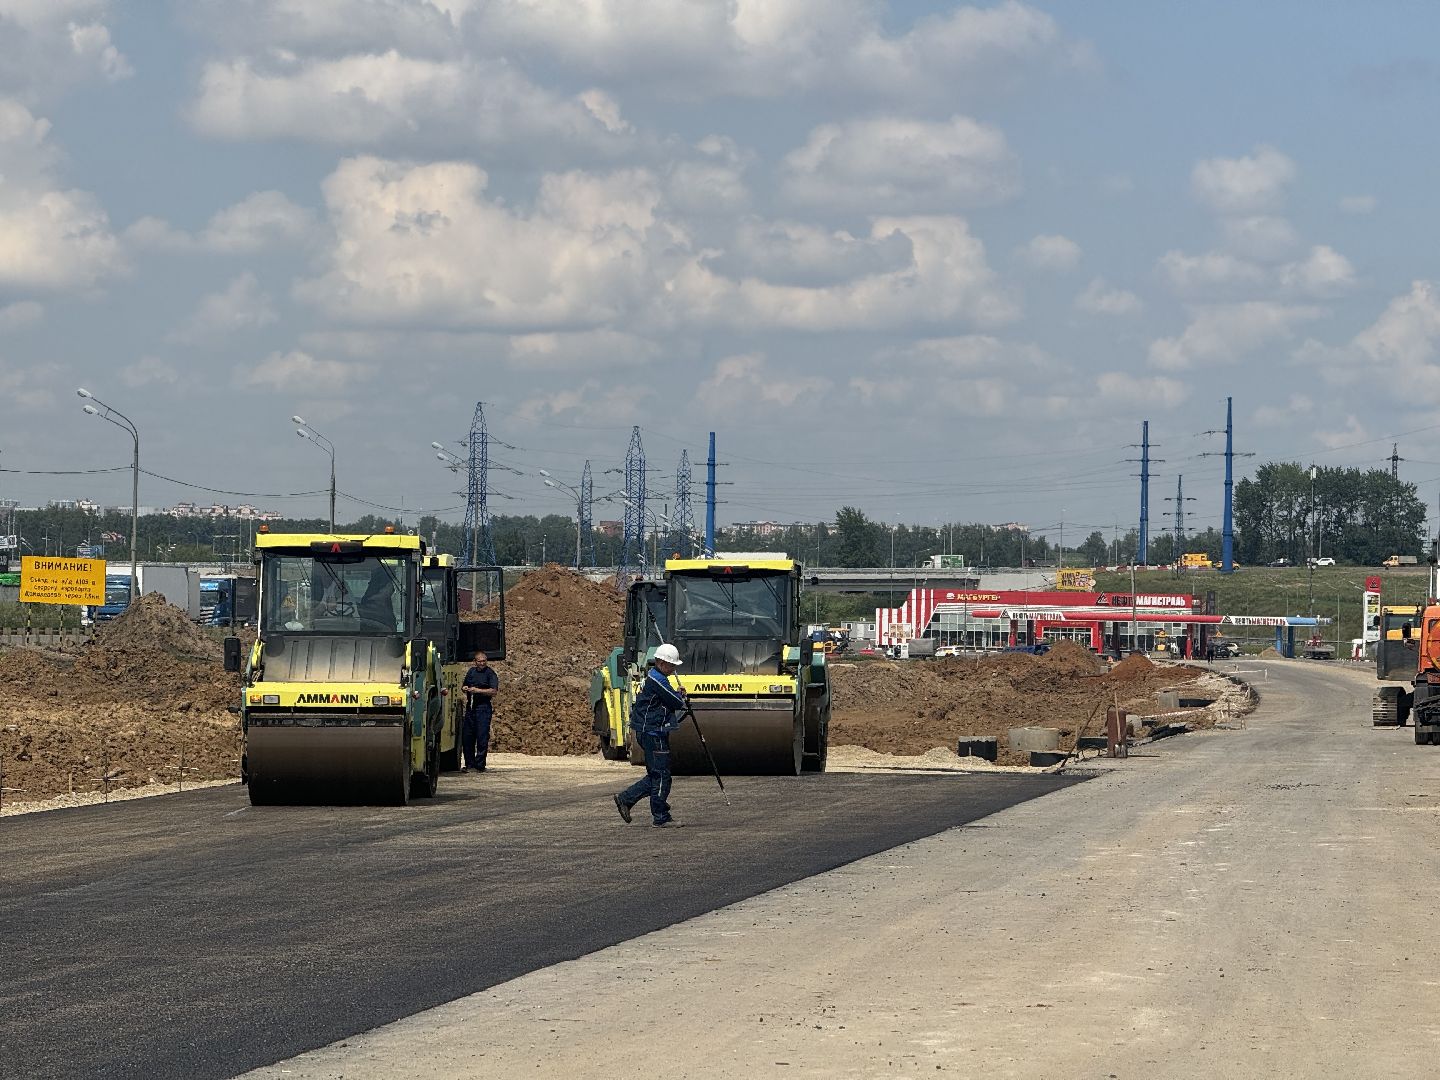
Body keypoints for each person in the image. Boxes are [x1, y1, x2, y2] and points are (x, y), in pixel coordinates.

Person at [614, 643, 687, 828]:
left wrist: (677, 694)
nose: (674, 669)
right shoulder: (658, 681)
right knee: (662, 776)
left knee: (656, 776)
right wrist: (681, 697)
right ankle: (660, 817)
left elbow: (671, 697)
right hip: (654, 733)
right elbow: (675, 702)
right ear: (662, 663)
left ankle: (626, 799)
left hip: (649, 731)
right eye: (672, 665)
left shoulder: (657, 678)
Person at [460, 650, 499, 772]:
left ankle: (480, 765)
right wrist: (465, 688)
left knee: (482, 737)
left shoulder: (490, 674)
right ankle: (469, 764)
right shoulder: (471, 672)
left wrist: (478, 691)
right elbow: (464, 686)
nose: (482, 663)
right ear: (475, 662)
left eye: (484, 661)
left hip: (483, 708)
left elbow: (493, 691)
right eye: (479, 661)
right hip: (471, 708)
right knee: (467, 737)